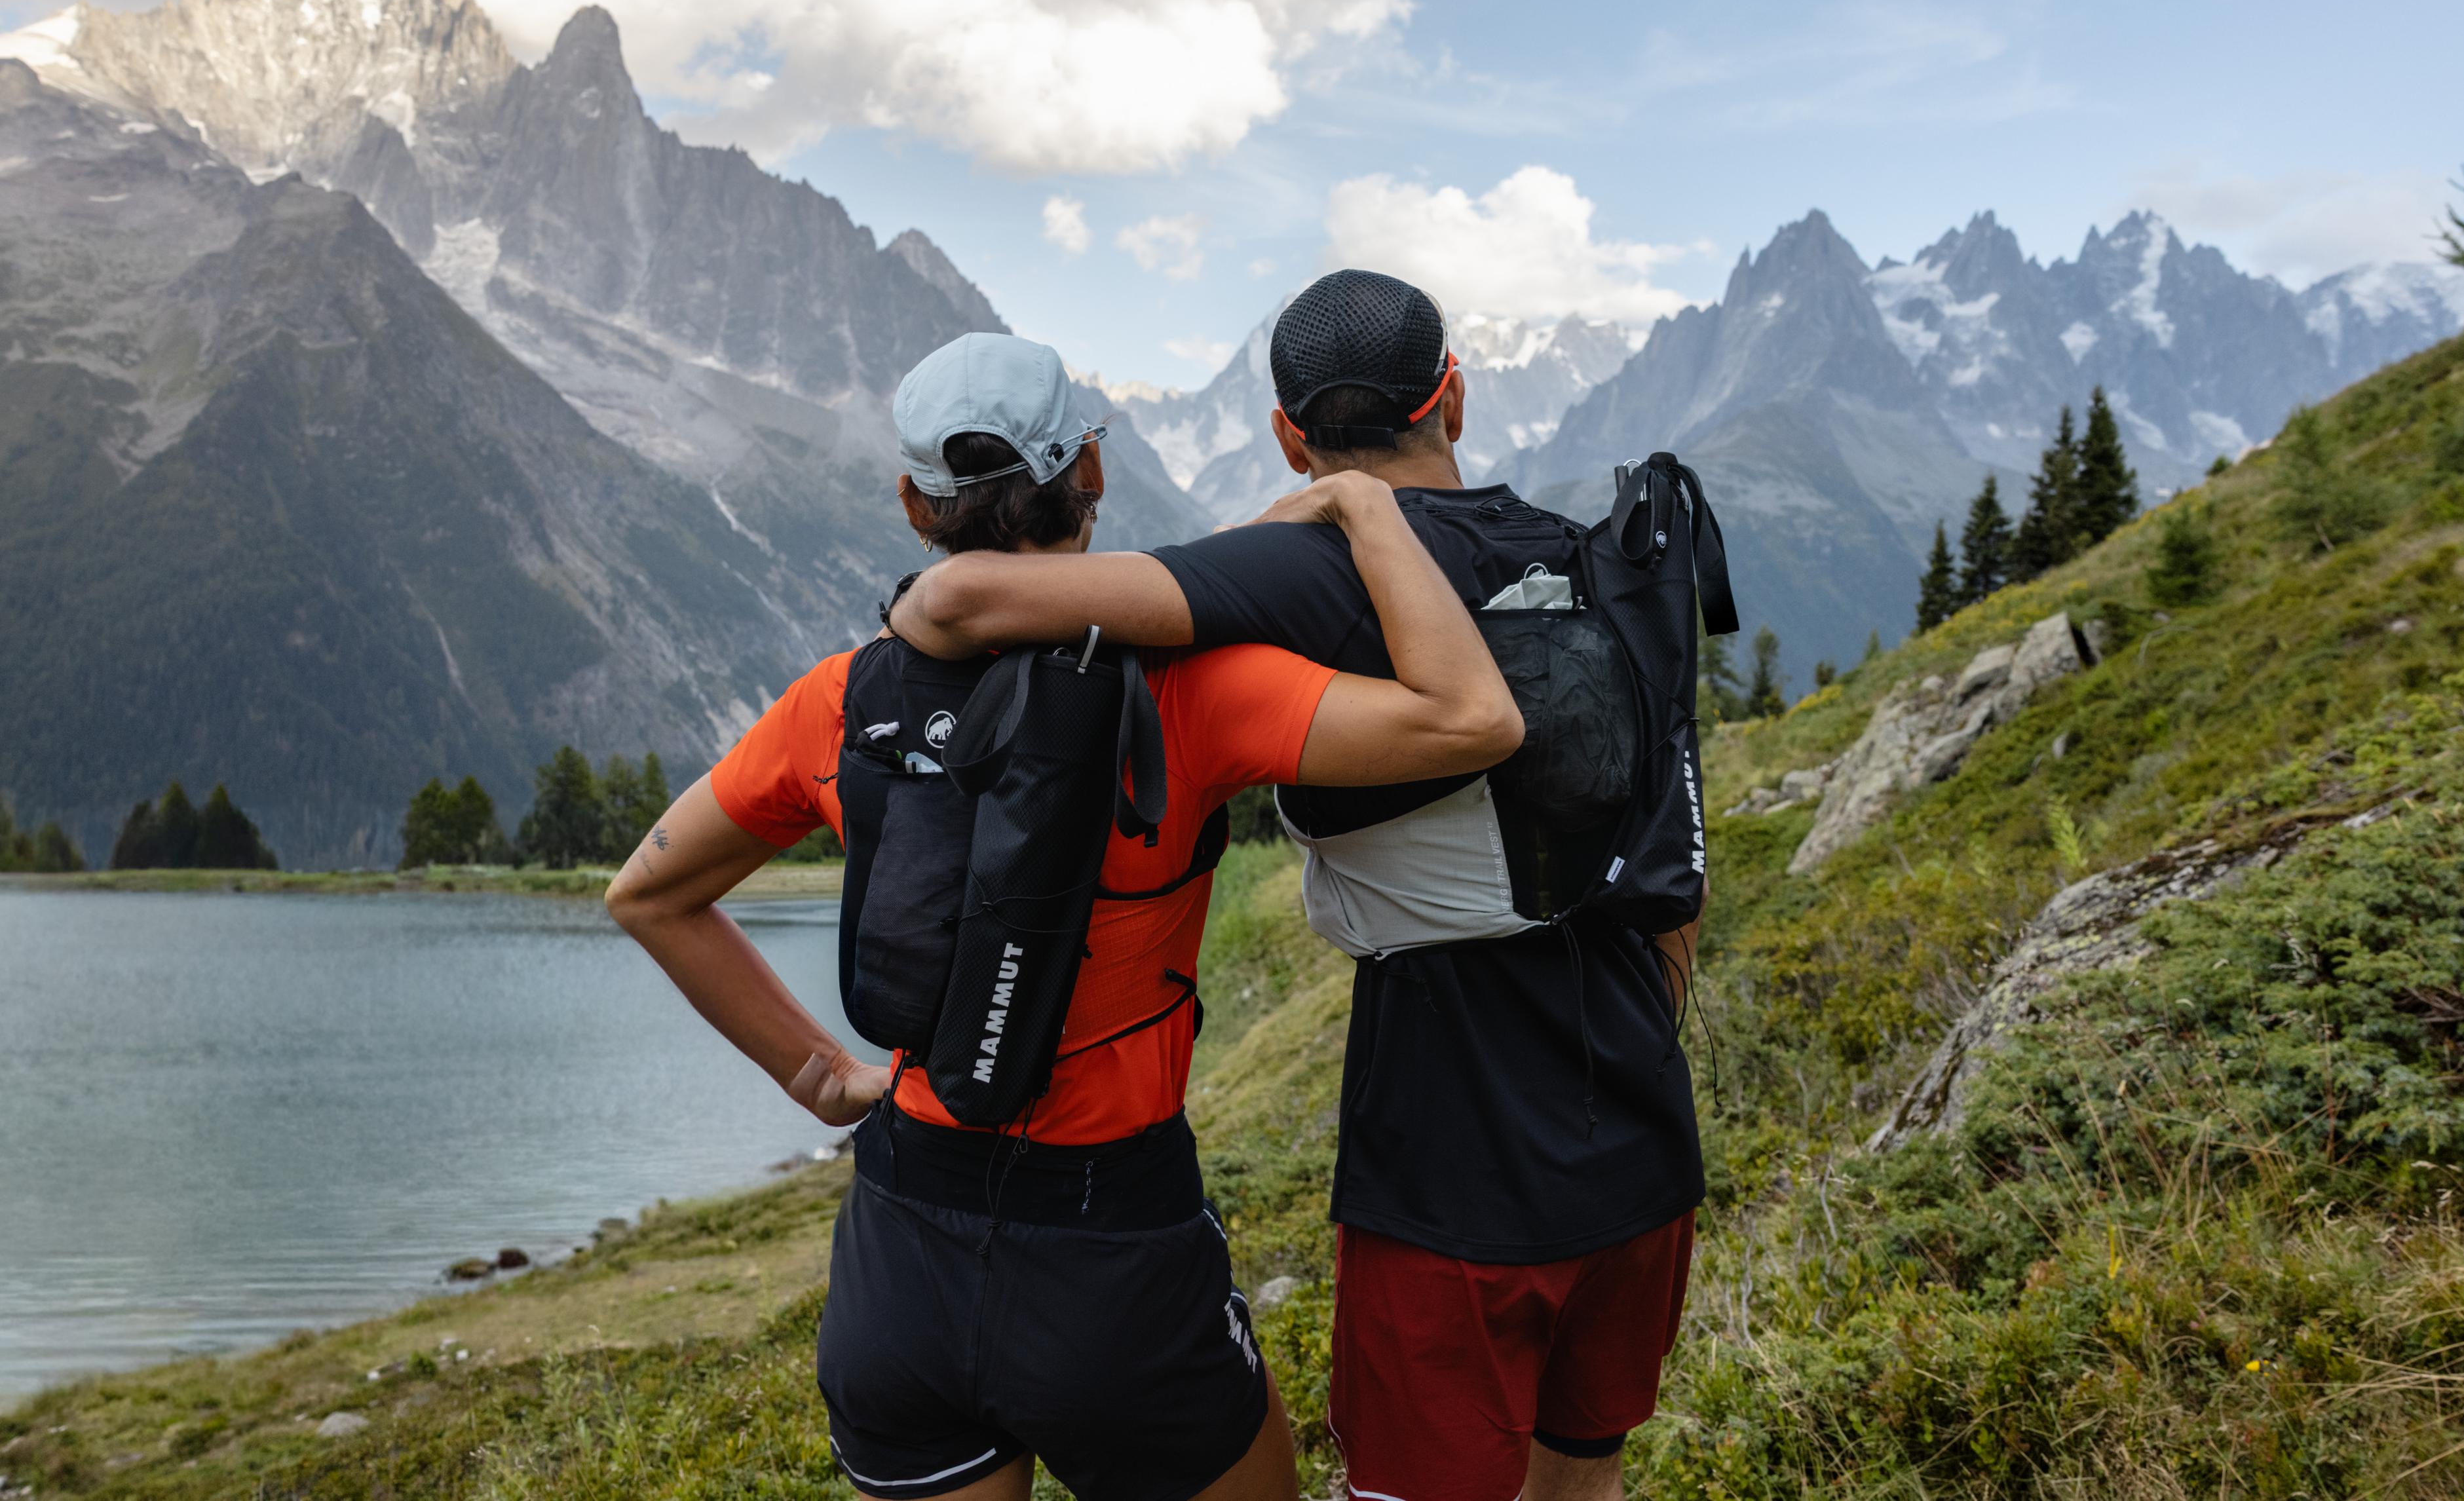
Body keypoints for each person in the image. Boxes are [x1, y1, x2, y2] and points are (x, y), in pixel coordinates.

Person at [604, 331, 1525, 1501]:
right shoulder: (1189, 688)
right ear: (1090, 475)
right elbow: (1470, 720)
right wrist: (1360, 512)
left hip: (900, 1252)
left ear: (911, 505)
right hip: (1115, 1255)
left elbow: (649, 892)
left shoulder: (839, 703)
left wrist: (824, 1081)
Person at [892, 275, 1704, 1501]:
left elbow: (955, 602)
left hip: (1449, 1150)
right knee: (1583, 1478)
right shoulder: (1598, 559)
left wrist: (1334, 521)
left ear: (1288, 435)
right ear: (1456, 399)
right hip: (1643, 1128)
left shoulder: (1310, 573)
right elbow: (1673, 869)